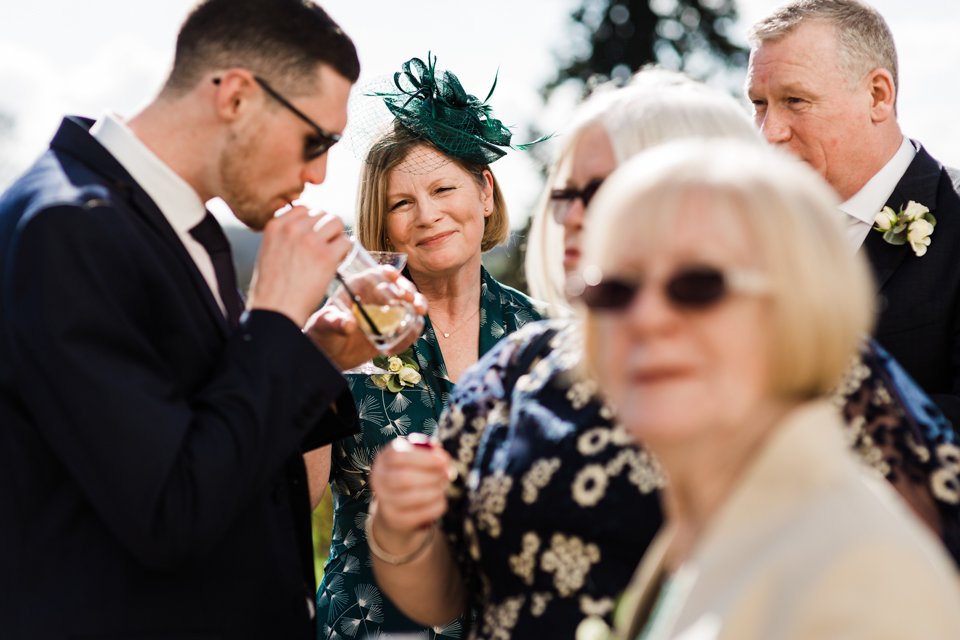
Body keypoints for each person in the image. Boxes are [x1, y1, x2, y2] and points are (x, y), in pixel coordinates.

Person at [0, 1, 424, 638]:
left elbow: (216, 442)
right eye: (317, 141)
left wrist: (313, 355)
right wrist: (276, 319)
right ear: (236, 96)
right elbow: (171, 511)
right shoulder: (71, 228)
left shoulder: (174, 225)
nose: (317, 175)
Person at [362, 74, 761, 640]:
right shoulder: (515, 370)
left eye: (598, 191)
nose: (570, 215)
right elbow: (445, 591)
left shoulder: (801, 371)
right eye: (566, 194)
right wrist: (398, 529)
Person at [580, 141, 960, 640]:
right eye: (615, 290)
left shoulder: (857, 575)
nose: (646, 318)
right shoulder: (696, 539)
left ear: (803, 304)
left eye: (699, 284)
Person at [310, 55, 545, 640]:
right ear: (382, 222)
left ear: (485, 193)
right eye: (401, 203)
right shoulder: (345, 329)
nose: (429, 215)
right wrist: (308, 363)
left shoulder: (535, 331)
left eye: (444, 188)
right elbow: (296, 493)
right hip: (371, 624)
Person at [745, 0, 960, 428]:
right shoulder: (748, 235)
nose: (769, 132)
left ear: (878, 95)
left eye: (794, 100)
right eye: (759, 103)